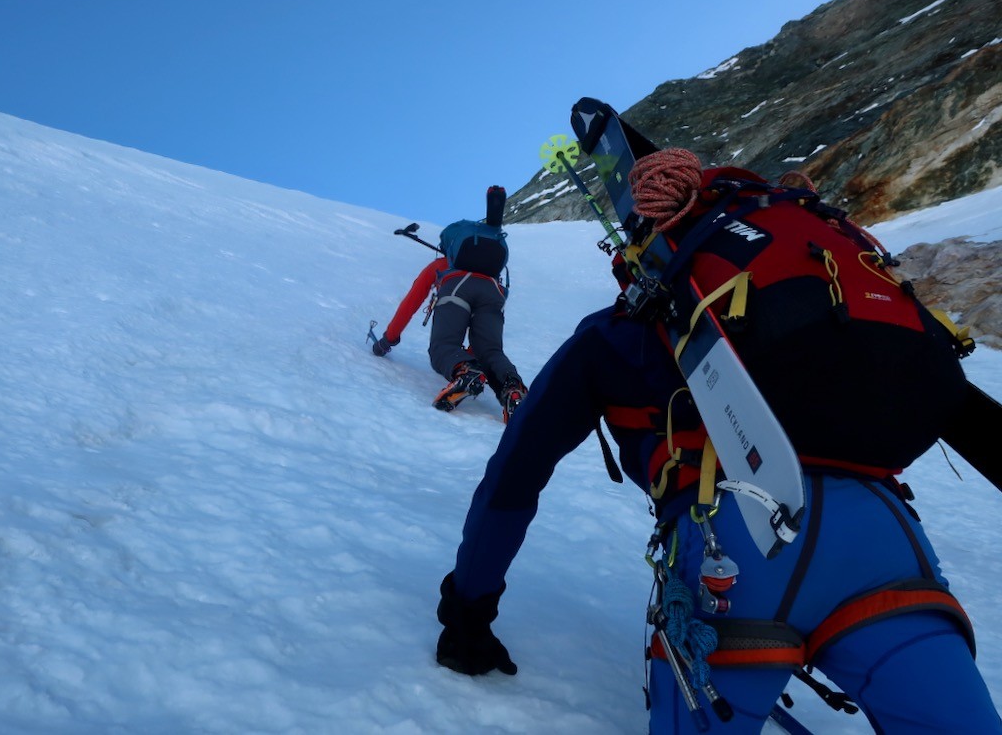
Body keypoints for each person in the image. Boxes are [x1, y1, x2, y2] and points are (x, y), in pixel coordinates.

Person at [433, 150, 1001, 733]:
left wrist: (468, 609)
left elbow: (513, 478)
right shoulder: (820, 286)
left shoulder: (615, 335)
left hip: (737, 547)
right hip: (891, 543)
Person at [372, 186, 527, 422]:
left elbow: (411, 302)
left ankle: (466, 372)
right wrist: (476, 355)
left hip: (457, 289)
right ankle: (513, 391)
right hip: (493, 294)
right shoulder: (490, 274)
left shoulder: (443, 266)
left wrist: (387, 340)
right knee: (492, 352)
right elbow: (482, 335)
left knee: (442, 348)